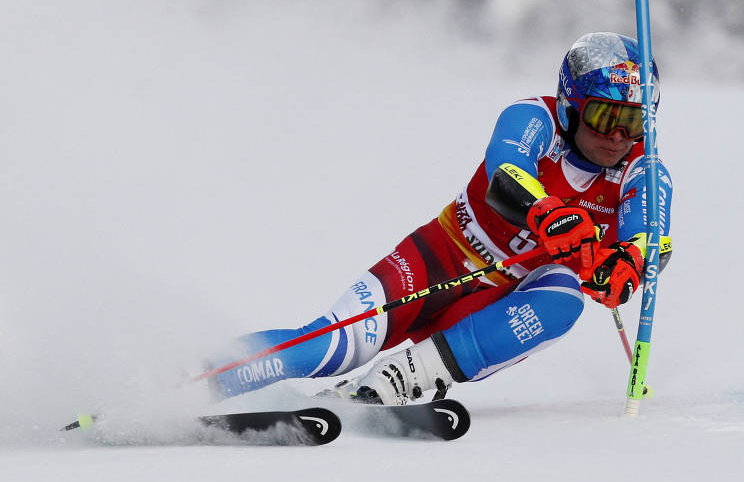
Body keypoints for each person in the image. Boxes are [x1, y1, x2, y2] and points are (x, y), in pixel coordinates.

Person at [207, 32, 673, 405]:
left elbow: (650, 240)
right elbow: (506, 175)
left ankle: (396, 382)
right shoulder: (534, 119)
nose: (618, 136)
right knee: (332, 349)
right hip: (439, 258)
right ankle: (196, 378)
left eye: (634, 122)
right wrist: (550, 215)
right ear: (571, 104)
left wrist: (624, 266)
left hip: (503, 297)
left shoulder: (643, 170)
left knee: (564, 295)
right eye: (605, 115)